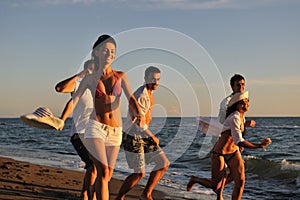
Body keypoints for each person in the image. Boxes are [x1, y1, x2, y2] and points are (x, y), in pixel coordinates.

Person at [71, 34, 142, 200]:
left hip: (115, 130)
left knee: (107, 174)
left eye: (112, 51)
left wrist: (139, 114)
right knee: (103, 170)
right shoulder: (90, 77)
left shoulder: (121, 76)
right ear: (96, 52)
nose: (109, 54)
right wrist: (61, 119)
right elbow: (74, 99)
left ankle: (92, 194)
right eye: (105, 50)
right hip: (95, 126)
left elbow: (131, 97)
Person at [187, 91, 272, 200]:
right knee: (215, 185)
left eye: (247, 102)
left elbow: (235, 133)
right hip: (220, 154)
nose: (245, 105)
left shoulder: (242, 116)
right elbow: (239, 141)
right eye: (242, 103)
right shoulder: (235, 117)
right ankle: (195, 179)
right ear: (236, 105)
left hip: (233, 152)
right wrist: (259, 146)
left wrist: (246, 124)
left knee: (240, 182)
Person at [116, 66, 170, 200]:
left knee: (163, 163)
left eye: (158, 79)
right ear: (145, 79)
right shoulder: (141, 96)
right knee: (139, 173)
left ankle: (146, 194)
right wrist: (152, 137)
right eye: (152, 79)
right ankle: (119, 197)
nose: (156, 82)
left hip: (143, 135)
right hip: (133, 135)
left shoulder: (149, 94)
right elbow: (138, 122)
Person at [55, 59, 97, 200]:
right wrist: (62, 120)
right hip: (79, 133)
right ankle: (90, 195)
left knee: (95, 166)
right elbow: (60, 89)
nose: (92, 74)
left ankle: (84, 193)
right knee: (93, 165)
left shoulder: (98, 89)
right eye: (89, 71)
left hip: (96, 134)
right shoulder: (78, 86)